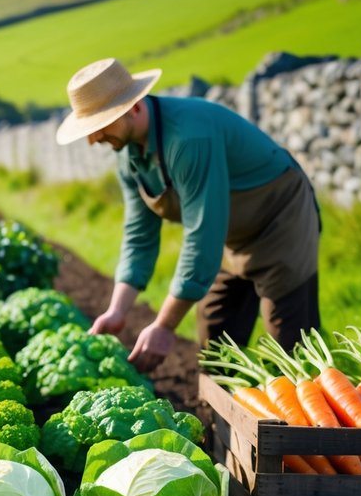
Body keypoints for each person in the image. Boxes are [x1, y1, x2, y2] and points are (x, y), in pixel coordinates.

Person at [55, 57, 321, 373]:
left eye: (99, 126)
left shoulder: (189, 138)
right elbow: (139, 235)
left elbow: (202, 236)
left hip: (279, 220)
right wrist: (117, 310)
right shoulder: (128, 153)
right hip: (231, 234)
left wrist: (165, 326)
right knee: (216, 333)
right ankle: (231, 420)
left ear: (134, 108)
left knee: (289, 341)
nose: (93, 139)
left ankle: (312, 417)